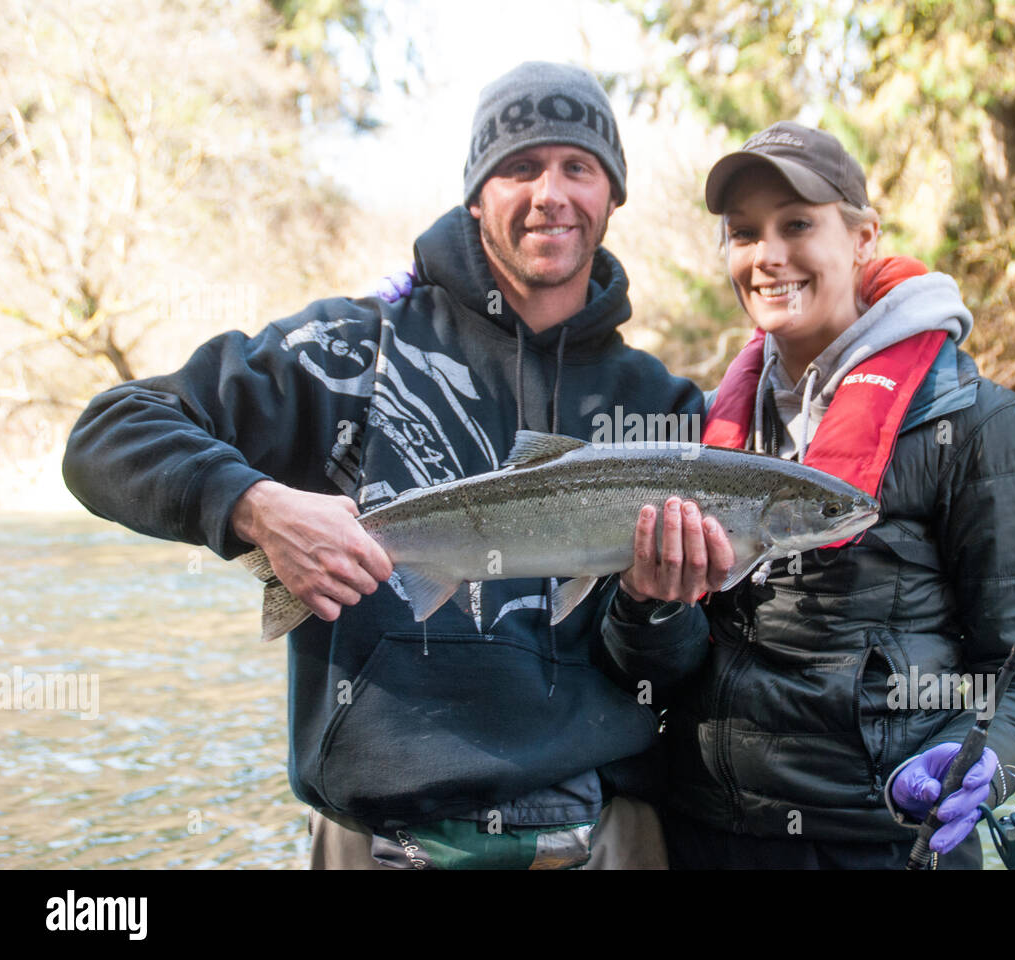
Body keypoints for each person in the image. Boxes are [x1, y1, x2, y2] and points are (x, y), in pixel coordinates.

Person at [61, 61, 726, 870]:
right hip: (375, 836)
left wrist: (656, 610)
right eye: (520, 167)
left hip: (602, 831)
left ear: (611, 196)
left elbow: (674, 675)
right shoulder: (348, 352)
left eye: (577, 167)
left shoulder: (664, 408)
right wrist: (255, 506)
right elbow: (109, 433)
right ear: (476, 194)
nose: (550, 192)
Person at [602, 122, 1015, 869]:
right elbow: (654, 673)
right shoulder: (701, 426)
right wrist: (650, 607)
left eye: (797, 225)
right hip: (701, 835)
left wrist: (982, 761)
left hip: (883, 845)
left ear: (863, 239)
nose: (768, 256)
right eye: (744, 233)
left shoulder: (988, 429)